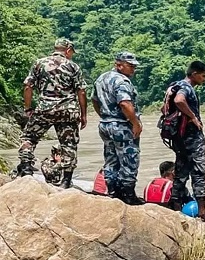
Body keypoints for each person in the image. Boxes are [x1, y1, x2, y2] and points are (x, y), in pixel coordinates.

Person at [16, 38, 87, 188]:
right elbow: (81, 92)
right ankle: (66, 180)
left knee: (29, 137)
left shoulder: (39, 63)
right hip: (68, 111)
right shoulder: (73, 66)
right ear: (67, 50)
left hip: (45, 109)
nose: (71, 55)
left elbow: (28, 86)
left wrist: (28, 108)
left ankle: (27, 169)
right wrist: (83, 114)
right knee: (69, 144)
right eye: (72, 52)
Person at [91, 51, 144, 205]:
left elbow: (94, 100)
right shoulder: (121, 81)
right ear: (119, 65)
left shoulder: (101, 78)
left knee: (111, 159)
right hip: (121, 125)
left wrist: (104, 115)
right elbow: (125, 103)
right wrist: (135, 123)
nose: (133, 69)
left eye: (134, 66)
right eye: (130, 66)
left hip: (105, 124)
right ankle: (128, 195)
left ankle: (113, 192)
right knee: (129, 159)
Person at [166, 61, 205, 221]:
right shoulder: (186, 88)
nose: (204, 79)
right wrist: (193, 117)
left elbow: (164, 108)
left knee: (180, 173)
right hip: (192, 138)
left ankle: (176, 207)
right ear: (194, 74)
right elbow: (179, 101)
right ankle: (202, 211)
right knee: (199, 172)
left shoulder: (174, 85)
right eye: (203, 75)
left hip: (179, 138)